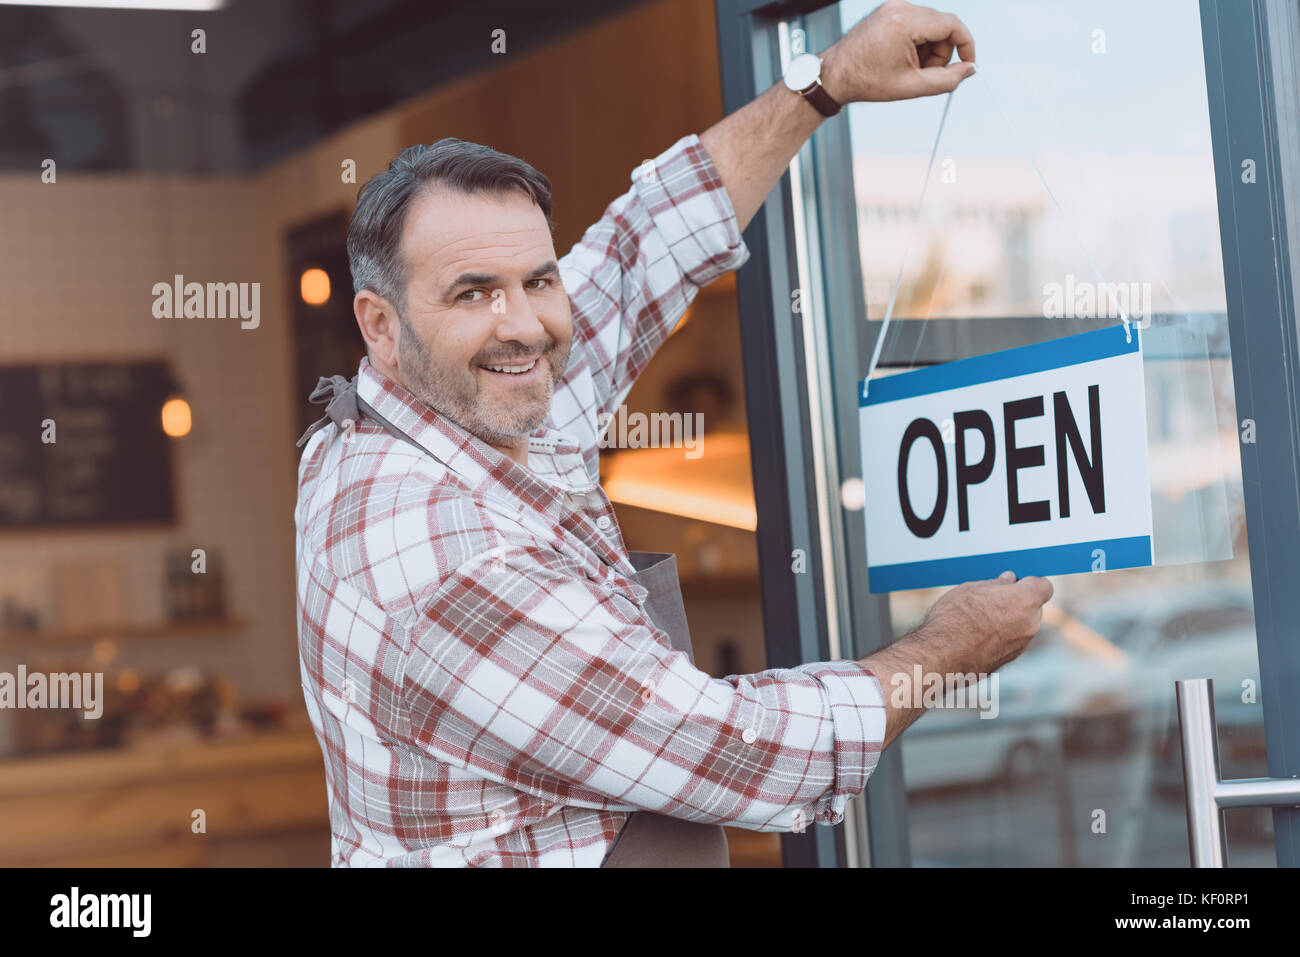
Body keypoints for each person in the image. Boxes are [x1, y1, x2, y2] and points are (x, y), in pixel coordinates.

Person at [294, 0, 1053, 867]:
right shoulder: (433, 548)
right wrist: (946, 648)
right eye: (473, 292)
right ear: (380, 326)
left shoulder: (458, 403)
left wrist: (826, 81)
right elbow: (728, 750)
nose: (525, 325)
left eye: (538, 280)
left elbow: (642, 246)